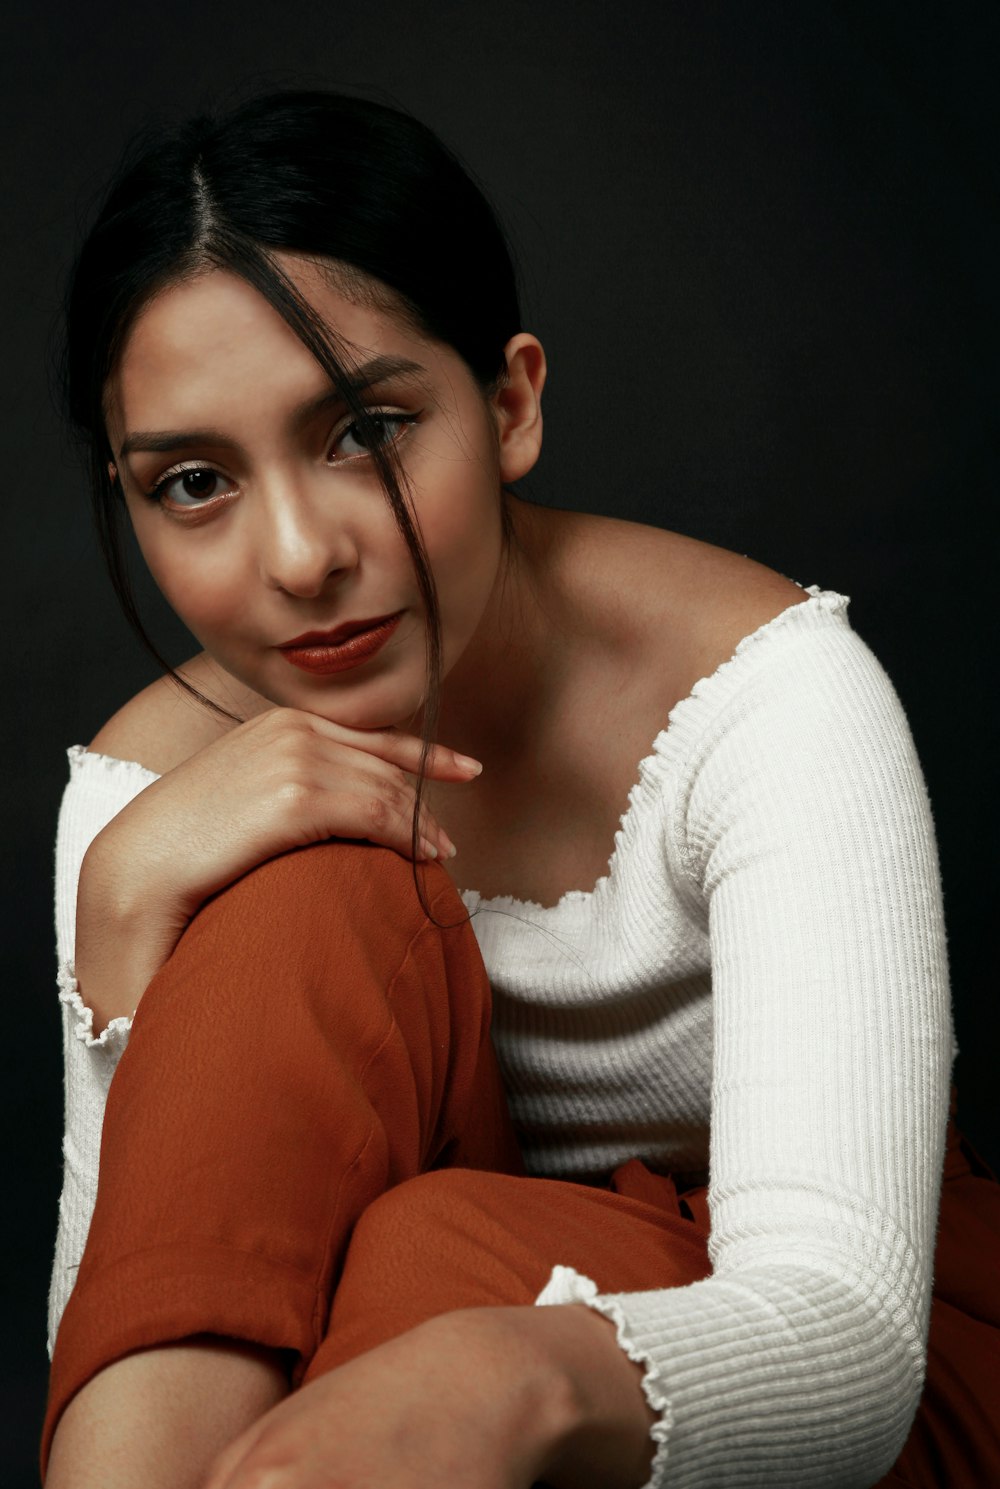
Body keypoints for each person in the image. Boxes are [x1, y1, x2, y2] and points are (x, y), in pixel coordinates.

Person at [40, 90, 999, 1488]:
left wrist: (497, 1368)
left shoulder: (770, 699)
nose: (300, 556)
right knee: (298, 895)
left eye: (364, 431)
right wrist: (121, 917)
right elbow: (128, 1325)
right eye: (192, 480)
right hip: (358, 1376)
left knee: (429, 1257)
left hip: (825, 1369)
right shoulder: (154, 791)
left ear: (510, 403)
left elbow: (845, 1342)